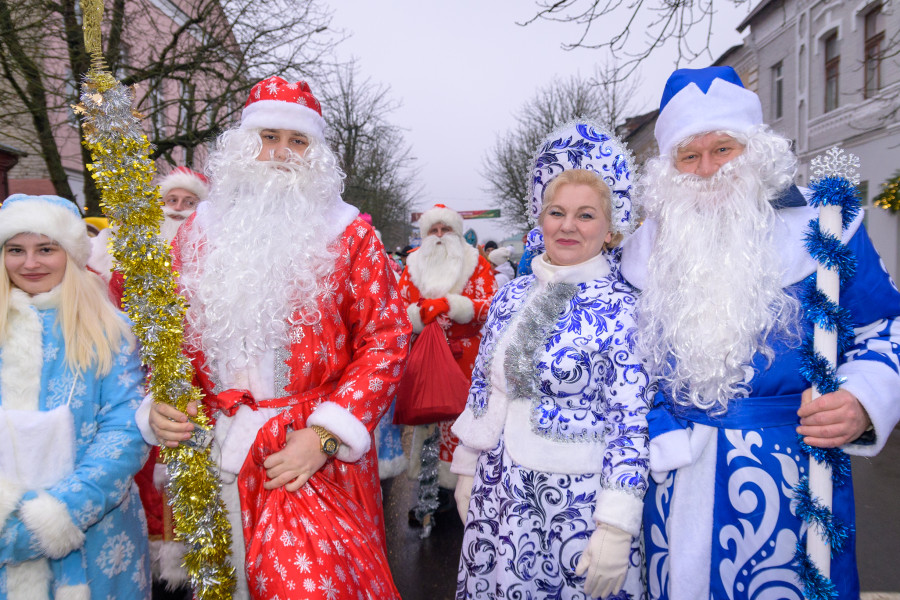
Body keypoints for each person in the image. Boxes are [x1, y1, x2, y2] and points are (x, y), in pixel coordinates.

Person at [621, 66, 900, 599]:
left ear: (754, 150)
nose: (708, 170)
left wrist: (864, 398)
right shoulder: (635, 257)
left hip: (794, 486)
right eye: (689, 155)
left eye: (723, 149)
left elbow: (887, 325)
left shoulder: (828, 230)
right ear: (669, 167)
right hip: (668, 485)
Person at [145, 76, 409, 599]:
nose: (281, 153)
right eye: (268, 137)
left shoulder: (350, 234)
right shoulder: (197, 232)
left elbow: (386, 338)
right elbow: (170, 338)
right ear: (244, 145)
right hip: (213, 452)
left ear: (316, 154)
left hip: (307, 456)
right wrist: (159, 401)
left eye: (297, 141)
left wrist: (328, 434)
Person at [451, 122, 652, 599]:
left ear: (609, 229)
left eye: (585, 215)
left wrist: (617, 525)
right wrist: (465, 467)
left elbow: (631, 420)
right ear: (540, 220)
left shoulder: (627, 307)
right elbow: (484, 384)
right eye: (556, 212)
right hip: (499, 495)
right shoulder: (511, 295)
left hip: (576, 510)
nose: (568, 225)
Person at [0, 194, 150, 599]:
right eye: (16, 250)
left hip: (95, 534)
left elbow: (125, 427)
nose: (29, 263)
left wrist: (59, 513)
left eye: (45, 249)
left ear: (70, 252)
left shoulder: (109, 328)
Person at [398, 204, 496, 527]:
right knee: (428, 430)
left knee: (465, 430)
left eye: (446, 230)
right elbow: (396, 309)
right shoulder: (412, 265)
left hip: (467, 365)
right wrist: (418, 315)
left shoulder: (475, 263)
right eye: (434, 230)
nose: (439, 237)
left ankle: (469, 494)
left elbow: (492, 305)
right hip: (425, 361)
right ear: (425, 235)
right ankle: (432, 496)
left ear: (457, 233)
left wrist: (454, 307)